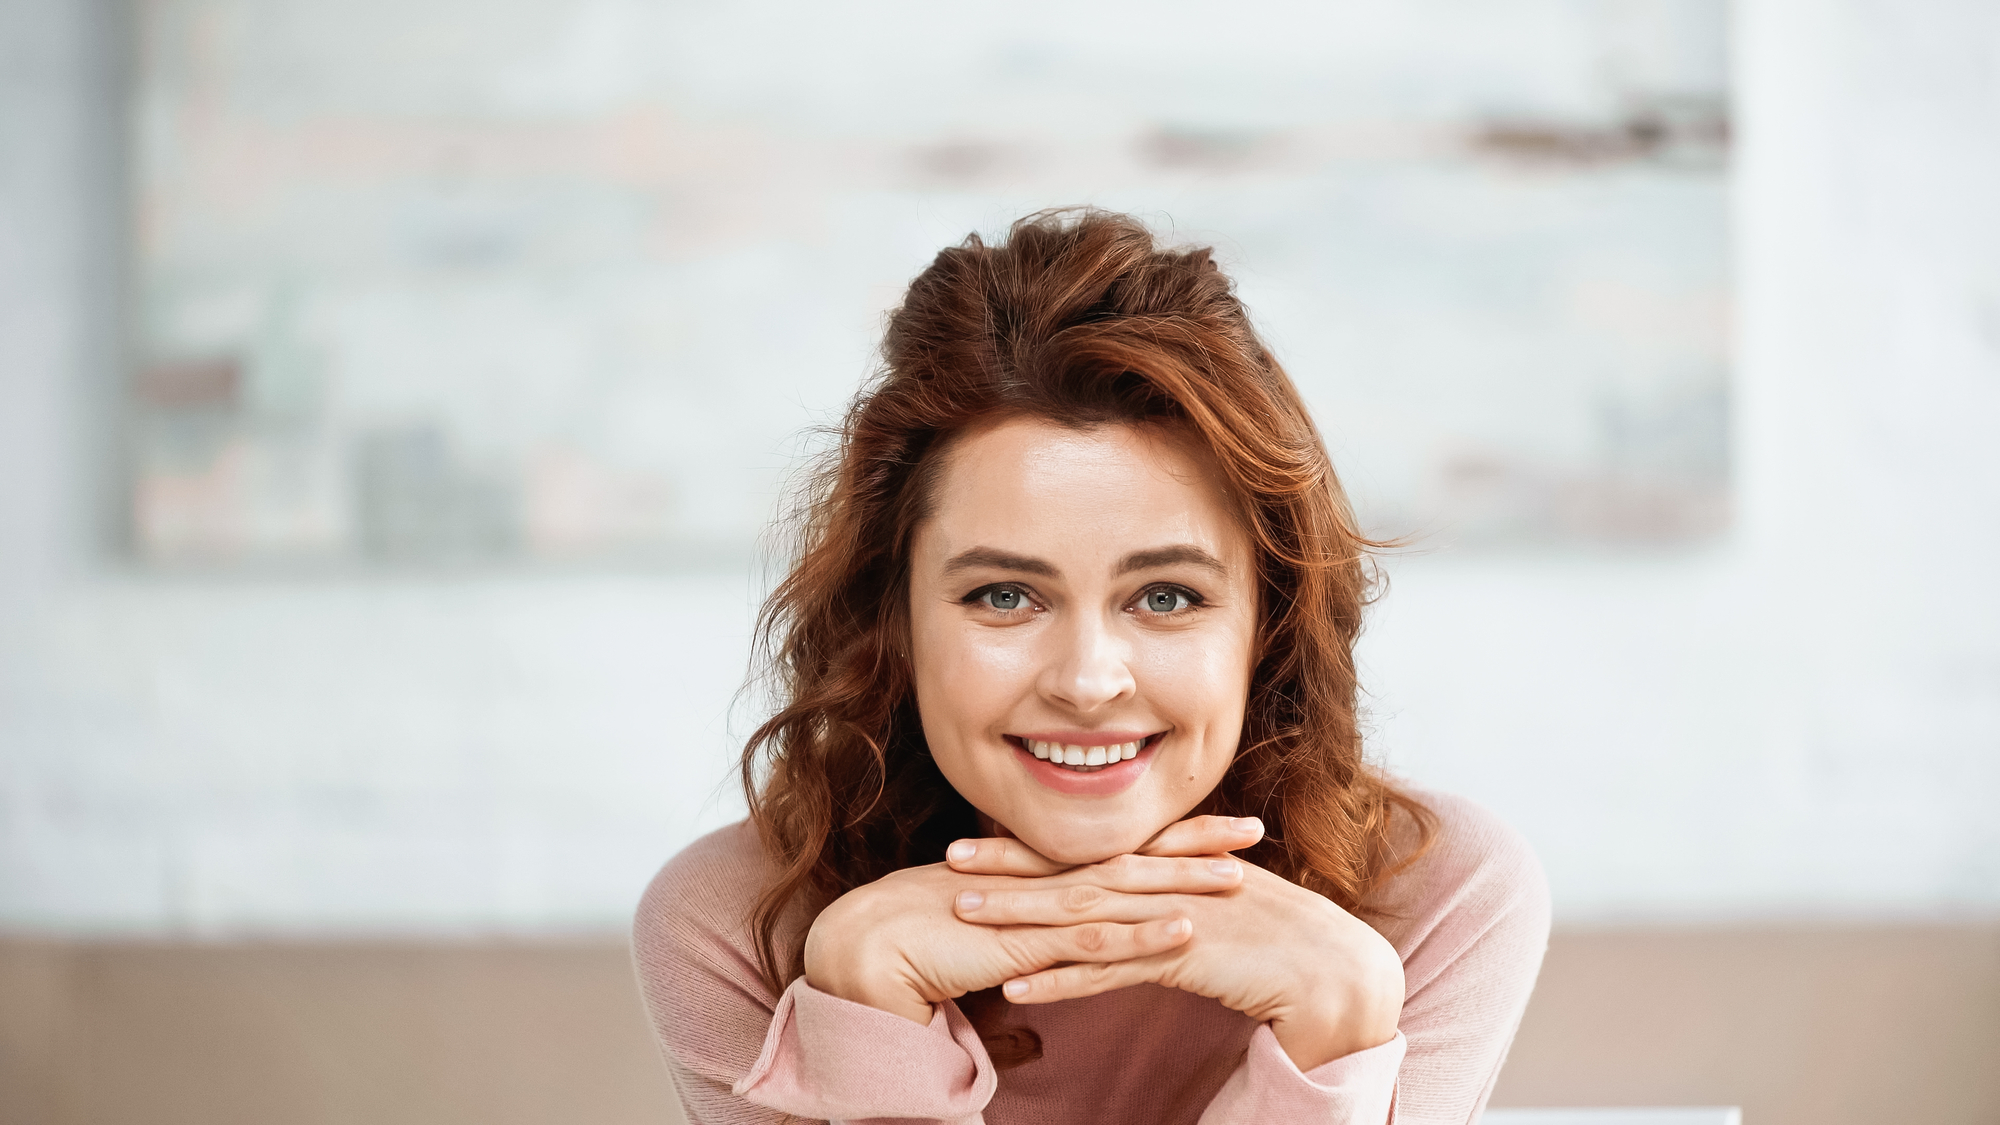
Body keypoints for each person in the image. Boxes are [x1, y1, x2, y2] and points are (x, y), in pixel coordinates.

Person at [633, 210, 1549, 1124]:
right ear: (894, 621)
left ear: (1268, 624)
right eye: (1003, 595)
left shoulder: (1433, 898)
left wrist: (1336, 1026)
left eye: (1165, 597)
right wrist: (869, 1005)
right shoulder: (736, 925)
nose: (1086, 681)